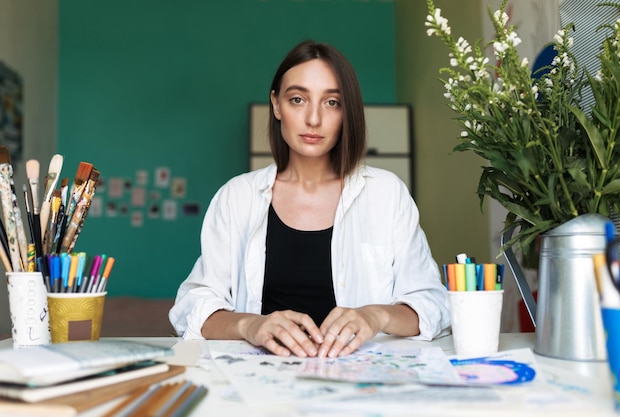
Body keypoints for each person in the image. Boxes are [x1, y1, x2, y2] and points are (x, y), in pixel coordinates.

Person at [169, 40, 450, 358]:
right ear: (276, 105)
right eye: (298, 99)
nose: (313, 119)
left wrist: (376, 315)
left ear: (347, 112)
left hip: (361, 388)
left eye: (332, 102)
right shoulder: (237, 197)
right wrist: (251, 325)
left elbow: (434, 305)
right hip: (260, 388)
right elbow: (192, 308)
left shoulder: (386, 193)